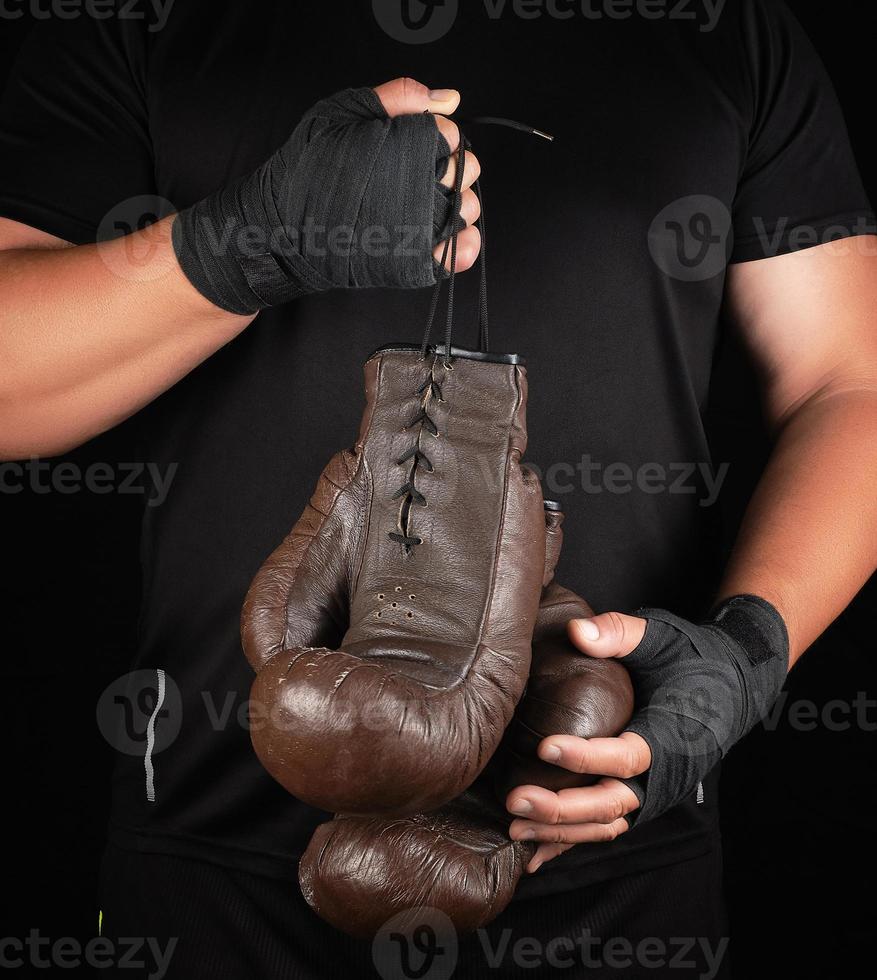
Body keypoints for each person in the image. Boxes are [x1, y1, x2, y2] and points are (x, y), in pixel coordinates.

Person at [1, 2, 875, 977]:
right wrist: (248, 242)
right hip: (213, 853)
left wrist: (753, 644)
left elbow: (852, 382)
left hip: (612, 847)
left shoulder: (724, 28)